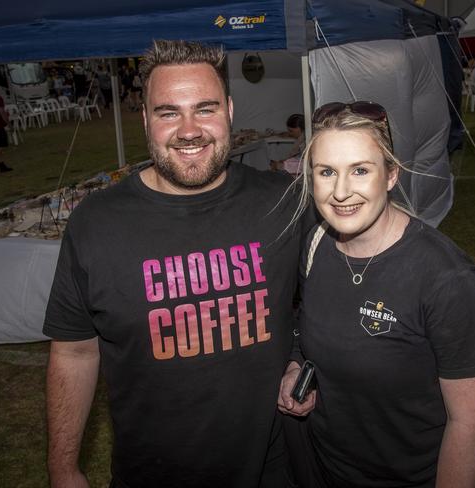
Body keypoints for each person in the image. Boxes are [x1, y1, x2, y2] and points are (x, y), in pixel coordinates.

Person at [44, 40, 304, 488]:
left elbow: (327, 296)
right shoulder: (97, 222)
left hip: (271, 469)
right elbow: (73, 351)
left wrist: (300, 358)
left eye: (205, 109)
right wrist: (63, 468)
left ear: (230, 110)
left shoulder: (283, 202)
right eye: (168, 112)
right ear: (146, 120)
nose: (189, 130)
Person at [277, 101, 475, 488]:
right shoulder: (316, 245)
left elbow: (471, 422)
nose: (341, 192)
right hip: (329, 470)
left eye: (360, 170)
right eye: (327, 172)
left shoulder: (447, 279)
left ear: (392, 174)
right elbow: (305, 324)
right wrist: (297, 365)